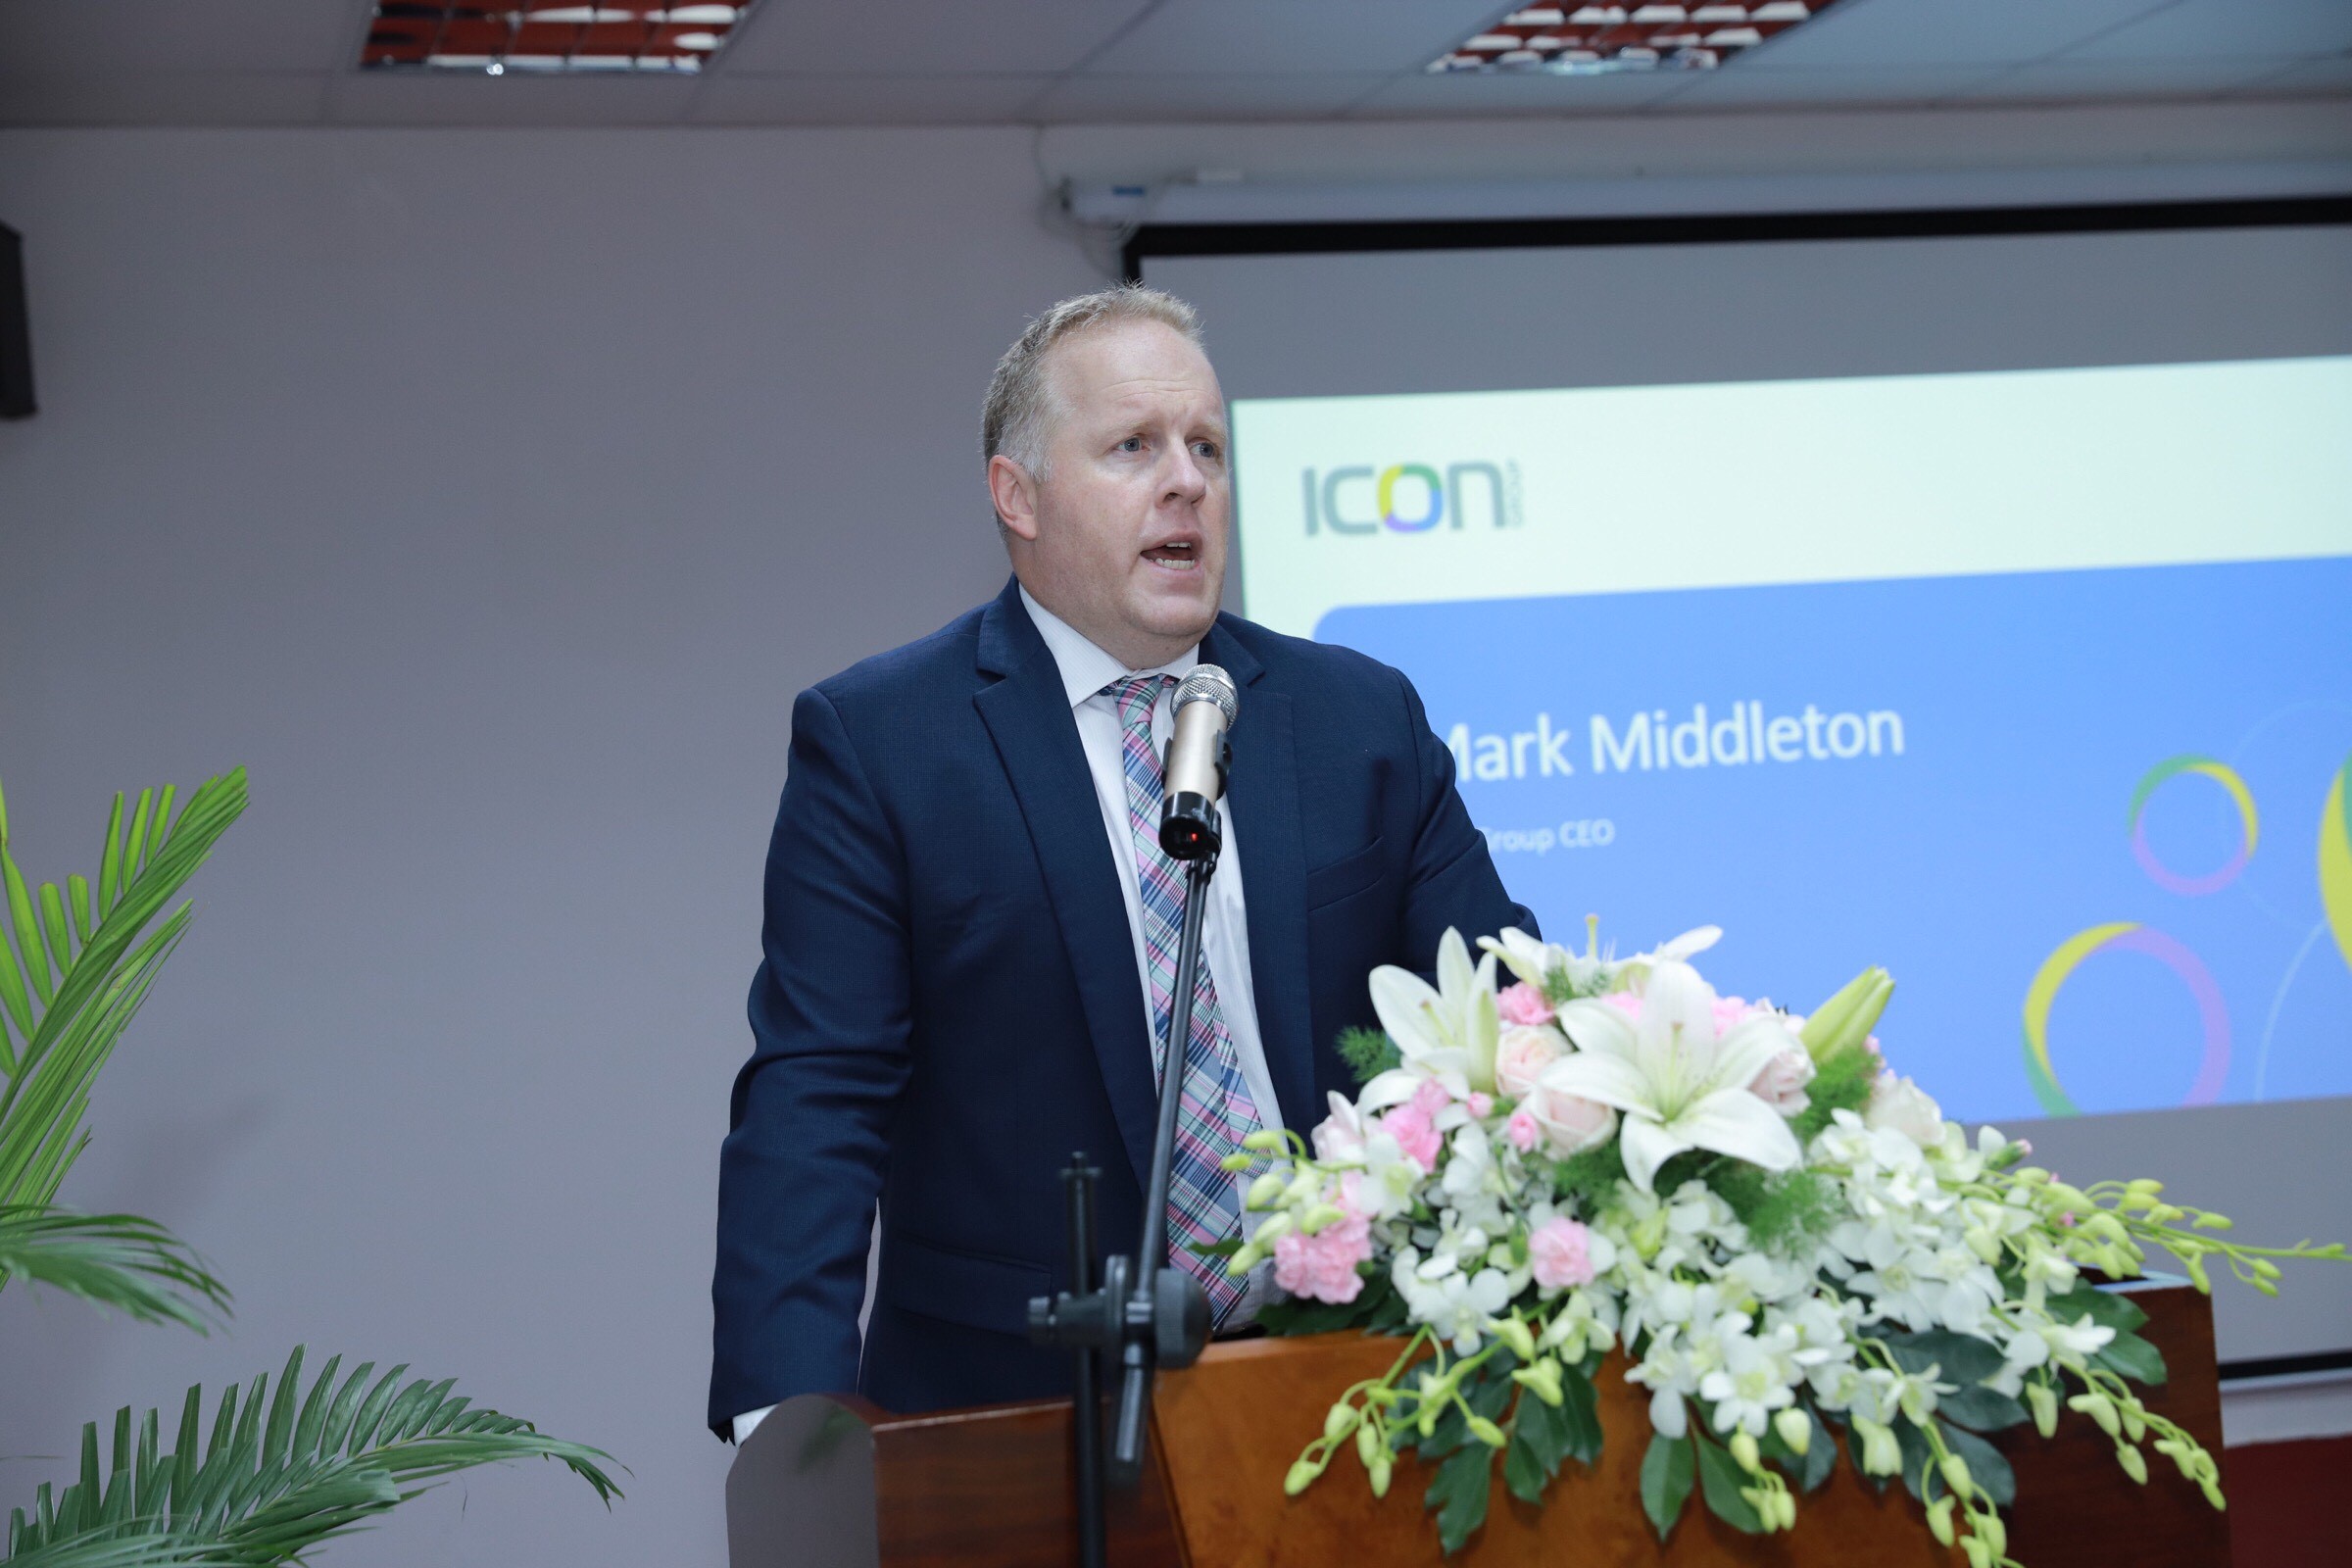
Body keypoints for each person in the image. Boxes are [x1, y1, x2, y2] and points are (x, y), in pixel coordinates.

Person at [710, 287, 1533, 1439]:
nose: (1186, 480)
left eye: (1207, 447)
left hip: (1347, 1384)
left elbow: (1502, 1017)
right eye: (1134, 447)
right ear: (1018, 496)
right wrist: (787, 1423)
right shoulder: (886, 742)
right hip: (1018, 1406)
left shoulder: (1358, 717)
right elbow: (817, 1096)